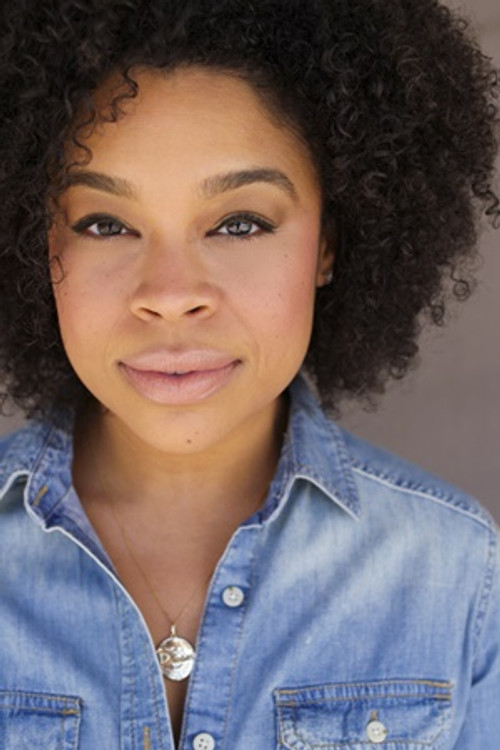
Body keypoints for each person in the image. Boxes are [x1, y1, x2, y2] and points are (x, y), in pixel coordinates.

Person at [0, 0, 498, 747]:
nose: (171, 295)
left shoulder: (457, 573)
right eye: (106, 224)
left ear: (328, 244)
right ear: (34, 244)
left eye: (240, 223)